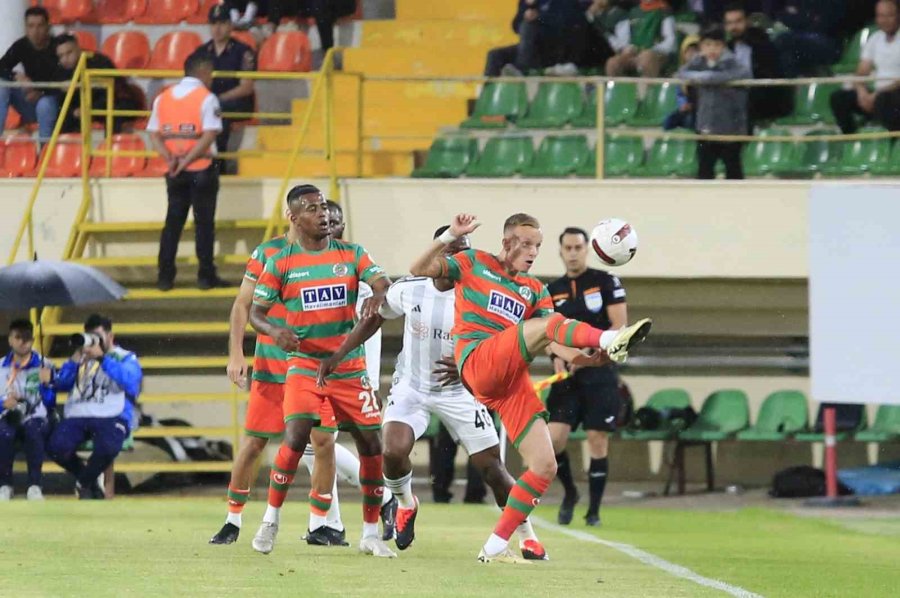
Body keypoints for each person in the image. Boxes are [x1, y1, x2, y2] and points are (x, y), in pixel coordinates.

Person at [408, 213, 651, 563]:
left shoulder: (535, 289)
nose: (534, 251)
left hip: (509, 379)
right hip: (477, 359)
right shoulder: (473, 262)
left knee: (544, 465)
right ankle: (612, 335)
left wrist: (590, 359)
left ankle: (494, 545)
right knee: (546, 324)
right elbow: (417, 268)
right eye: (526, 243)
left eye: (537, 245)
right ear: (506, 241)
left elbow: (554, 344)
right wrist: (448, 235)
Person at [317, 226, 549, 560]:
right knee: (393, 452)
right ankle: (406, 503)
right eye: (454, 250)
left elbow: (508, 341)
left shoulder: (480, 290)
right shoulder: (410, 289)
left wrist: (469, 364)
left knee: (493, 470)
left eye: (466, 250)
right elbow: (375, 318)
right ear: (438, 254)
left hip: (461, 391)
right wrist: (338, 355)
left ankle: (527, 535)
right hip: (412, 387)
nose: (461, 257)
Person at [212, 185, 388, 547]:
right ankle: (233, 519)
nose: (326, 219)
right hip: (273, 362)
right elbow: (243, 306)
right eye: (317, 210)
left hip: (318, 365)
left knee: (322, 442)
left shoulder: (344, 258)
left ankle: (320, 522)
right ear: (295, 216)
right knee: (255, 443)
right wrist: (235, 353)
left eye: (329, 213)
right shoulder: (270, 253)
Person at [547, 228, 628, 527]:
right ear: (560, 251)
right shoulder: (551, 289)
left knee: (597, 439)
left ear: (587, 250)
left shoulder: (605, 281)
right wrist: (558, 358)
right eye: (567, 247)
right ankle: (570, 492)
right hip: (566, 378)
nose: (572, 252)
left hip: (600, 373)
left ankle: (594, 511)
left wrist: (587, 354)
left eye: (578, 247)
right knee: (553, 440)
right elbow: (547, 333)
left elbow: (619, 326)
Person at [147, 53, 231, 292]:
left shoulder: (162, 98)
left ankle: (165, 276)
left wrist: (170, 158)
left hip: (173, 169)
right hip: (201, 167)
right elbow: (210, 134)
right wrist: (188, 160)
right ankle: (205, 276)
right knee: (204, 223)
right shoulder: (207, 98)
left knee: (173, 222)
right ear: (203, 72)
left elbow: (153, 133)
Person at [47, 314, 142, 499]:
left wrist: (103, 358)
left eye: (98, 336)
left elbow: (131, 383)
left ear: (110, 337)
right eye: (90, 336)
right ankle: (89, 477)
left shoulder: (125, 357)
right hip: (78, 414)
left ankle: (83, 482)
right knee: (55, 447)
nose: (93, 342)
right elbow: (61, 384)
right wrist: (74, 360)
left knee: (108, 447)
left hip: (111, 414)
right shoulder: (81, 357)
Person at [677, 25, 752, 180]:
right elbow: (682, 73)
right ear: (701, 47)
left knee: (733, 171)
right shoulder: (698, 61)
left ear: (723, 46)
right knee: (704, 171)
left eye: (717, 45)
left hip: (730, 128)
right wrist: (706, 77)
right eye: (708, 45)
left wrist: (707, 78)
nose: (712, 49)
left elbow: (745, 73)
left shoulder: (732, 62)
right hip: (705, 126)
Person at [192, 3, 257, 172]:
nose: (217, 28)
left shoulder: (243, 51)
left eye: (221, 23)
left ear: (230, 25)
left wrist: (217, 99)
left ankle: (218, 165)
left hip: (236, 102)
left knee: (218, 110)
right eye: (213, 24)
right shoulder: (201, 52)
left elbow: (246, 87)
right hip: (210, 102)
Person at [0, 319, 55, 501]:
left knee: (34, 429)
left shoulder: (44, 365)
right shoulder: (1, 366)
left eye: (27, 337)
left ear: (32, 340)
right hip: (9, 417)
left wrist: (47, 385)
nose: (23, 342)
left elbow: (51, 403)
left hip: (36, 417)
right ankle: (5, 485)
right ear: (10, 340)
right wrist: (3, 404)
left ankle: (34, 485)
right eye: (18, 337)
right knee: (4, 433)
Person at [830, 0, 900, 134]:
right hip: (877, 97)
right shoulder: (875, 39)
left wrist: (876, 95)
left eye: (889, 15)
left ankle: (893, 144)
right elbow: (861, 72)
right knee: (839, 98)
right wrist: (862, 93)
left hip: (894, 95)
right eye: (880, 16)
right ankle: (851, 140)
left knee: (885, 100)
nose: (884, 20)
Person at [54, 34, 142, 134]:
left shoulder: (99, 62)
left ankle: (110, 148)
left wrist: (88, 109)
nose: (66, 58)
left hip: (116, 102)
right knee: (62, 117)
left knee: (113, 114)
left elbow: (110, 94)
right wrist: (73, 111)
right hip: (87, 108)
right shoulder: (61, 70)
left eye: (69, 52)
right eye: (61, 56)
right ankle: (65, 149)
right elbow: (61, 100)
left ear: (78, 48)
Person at [723, 3, 792, 127]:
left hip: (764, 99)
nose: (734, 27)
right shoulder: (727, 48)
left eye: (738, 21)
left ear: (747, 21)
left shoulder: (763, 44)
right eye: (730, 23)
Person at [0, 6, 60, 140]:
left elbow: (65, 81)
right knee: (1, 86)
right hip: (30, 100)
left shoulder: (58, 46)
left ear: (48, 27)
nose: (35, 31)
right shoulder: (21, 45)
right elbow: (1, 66)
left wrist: (41, 92)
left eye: (40, 26)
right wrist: (15, 76)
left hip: (55, 103)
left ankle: (46, 153)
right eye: (31, 26)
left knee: (45, 104)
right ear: (26, 28)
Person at [484, 0, 586, 76]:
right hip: (529, 48)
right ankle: (486, 94)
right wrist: (528, 6)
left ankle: (522, 69)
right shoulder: (529, 2)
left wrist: (539, 17)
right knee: (495, 55)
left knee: (529, 27)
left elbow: (564, 22)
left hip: (554, 48)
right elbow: (515, 27)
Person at [772, 0, 845, 78]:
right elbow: (783, 15)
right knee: (786, 56)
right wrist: (807, 18)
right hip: (801, 41)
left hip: (830, 45)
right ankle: (798, 87)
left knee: (783, 40)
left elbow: (823, 25)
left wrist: (799, 17)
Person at [605, 0, 677, 78]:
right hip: (636, 54)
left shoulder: (665, 11)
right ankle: (621, 89)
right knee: (612, 63)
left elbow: (671, 42)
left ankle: (646, 89)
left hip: (658, 55)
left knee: (646, 58)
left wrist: (653, 50)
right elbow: (626, 39)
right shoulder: (634, 12)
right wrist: (628, 48)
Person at [663, 35, 699, 131]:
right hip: (685, 110)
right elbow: (680, 94)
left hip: (698, 111)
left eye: (696, 50)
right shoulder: (680, 74)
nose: (692, 54)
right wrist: (683, 104)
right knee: (668, 121)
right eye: (689, 51)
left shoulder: (704, 72)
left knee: (689, 121)